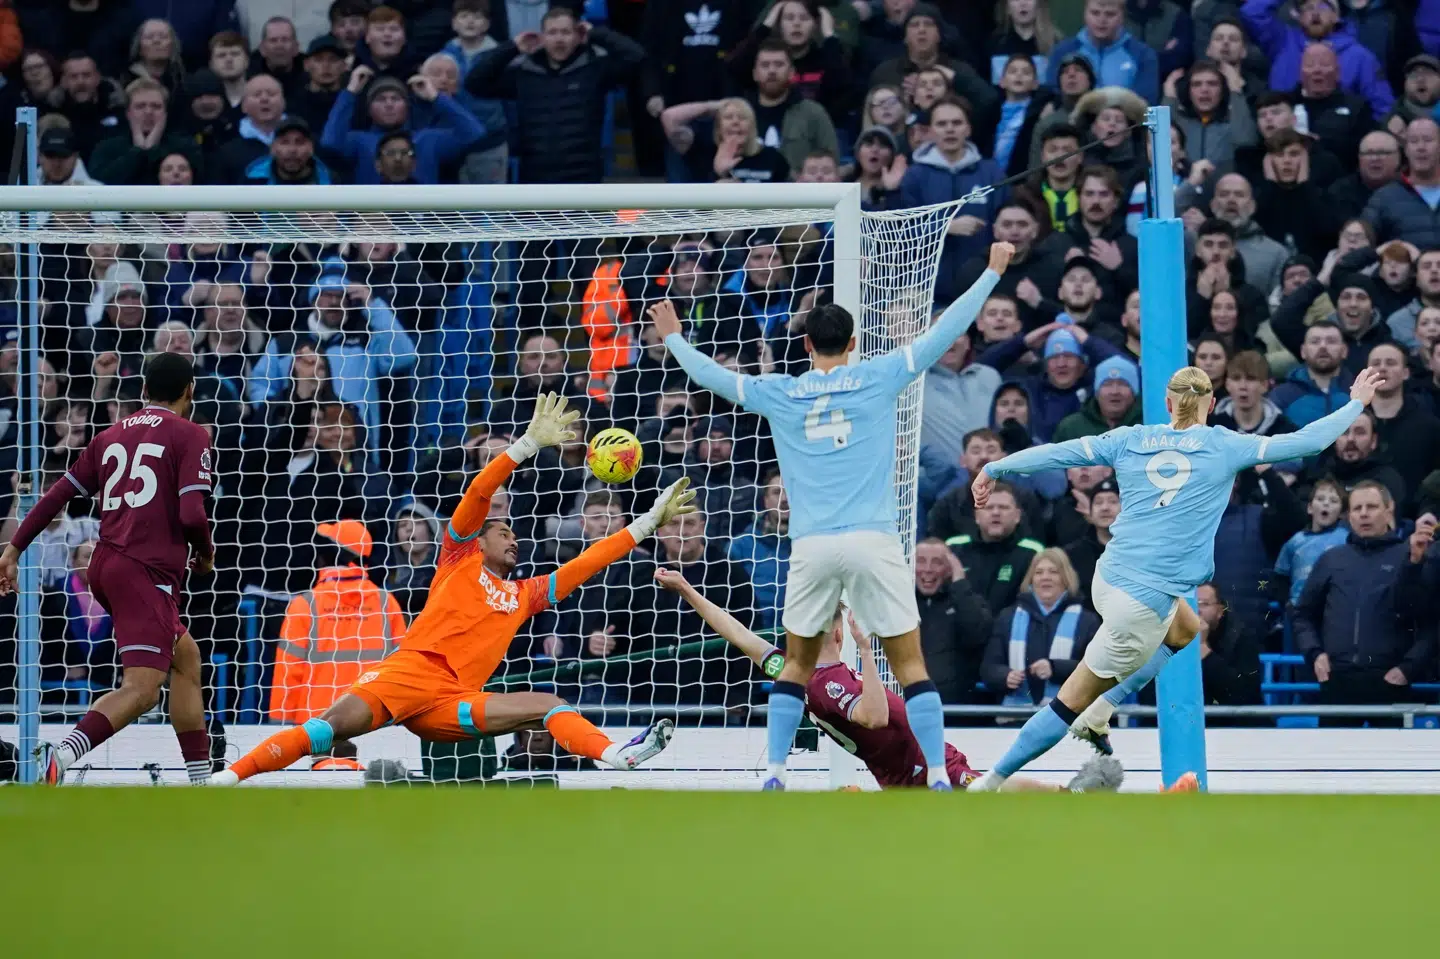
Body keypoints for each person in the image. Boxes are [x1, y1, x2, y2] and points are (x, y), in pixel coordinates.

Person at [647, 241, 1016, 791]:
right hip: (872, 539)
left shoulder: (781, 392)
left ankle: (774, 775)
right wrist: (991, 272)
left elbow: (711, 378)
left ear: (804, 344)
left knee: (795, 666)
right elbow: (944, 334)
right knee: (911, 667)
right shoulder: (879, 374)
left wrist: (674, 332)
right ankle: (939, 776)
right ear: (852, 343)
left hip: (813, 545)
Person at [211, 395, 689, 785]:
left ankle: (617, 756)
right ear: (477, 540)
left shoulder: (526, 593)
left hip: (453, 701)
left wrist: (649, 522)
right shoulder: (457, 558)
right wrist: (524, 445)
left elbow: (588, 561)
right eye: (503, 533)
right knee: (325, 729)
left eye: (515, 535)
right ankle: (228, 778)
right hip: (409, 675)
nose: (514, 538)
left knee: (548, 705)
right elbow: (480, 493)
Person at [964, 363, 1380, 790]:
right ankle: (991, 781)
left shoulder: (1132, 437)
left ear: (1166, 405)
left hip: (1109, 577)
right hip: (1141, 605)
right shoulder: (1223, 444)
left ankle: (1101, 711)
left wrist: (997, 468)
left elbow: (1057, 451)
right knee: (1070, 701)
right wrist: (1355, 404)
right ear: (1212, 405)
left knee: (1185, 626)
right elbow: (1306, 442)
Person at [653, 568, 1122, 793]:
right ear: (836, 631)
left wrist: (688, 590)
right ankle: (1076, 797)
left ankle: (1073, 796)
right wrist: (868, 653)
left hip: (905, 765)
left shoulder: (789, 669)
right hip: (912, 767)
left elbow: (737, 634)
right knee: (989, 792)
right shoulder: (827, 681)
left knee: (985, 797)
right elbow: (875, 716)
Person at [0, 353, 215, 785]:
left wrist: (13, 549)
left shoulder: (110, 435)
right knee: (142, 688)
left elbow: (56, 494)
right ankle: (55, 757)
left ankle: (202, 780)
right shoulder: (192, 434)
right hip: (144, 570)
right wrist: (205, 554)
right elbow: (192, 513)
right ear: (190, 390)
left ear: (143, 392)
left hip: (104, 562)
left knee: (186, 659)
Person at [1294, 481, 1434, 723]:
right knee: (1336, 761)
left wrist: (1408, 669)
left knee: (1390, 761)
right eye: (1357, 508)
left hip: (1391, 680)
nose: (1364, 514)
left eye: (1372, 507)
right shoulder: (1331, 559)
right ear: (1349, 516)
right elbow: (1302, 614)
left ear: (1389, 510)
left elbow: (1432, 622)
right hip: (1336, 680)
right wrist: (1315, 654)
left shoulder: (1411, 556)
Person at [269, 520, 407, 724]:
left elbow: (288, 674)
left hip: (315, 728)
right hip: (375, 723)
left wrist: (280, 727)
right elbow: (404, 669)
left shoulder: (305, 604)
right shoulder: (387, 602)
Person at [983, 549, 1100, 708]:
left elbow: (1096, 669)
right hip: (1014, 717)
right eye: (1038, 572)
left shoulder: (1087, 621)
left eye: (1054, 572)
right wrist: (1005, 676)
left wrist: (1054, 668)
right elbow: (989, 668)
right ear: (1031, 580)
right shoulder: (1007, 617)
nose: (1045, 577)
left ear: (1066, 578)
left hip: (1069, 717)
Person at [1273, 477, 1349, 611]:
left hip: (1333, 610)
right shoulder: (1295, 541)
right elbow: (1281, 577)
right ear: (1309, 508)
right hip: (1298, 611)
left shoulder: (1346, 538)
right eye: (1320, 499)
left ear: (1342, 513)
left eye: (1333, 501)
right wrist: (1287, 603)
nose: (1326, 504)